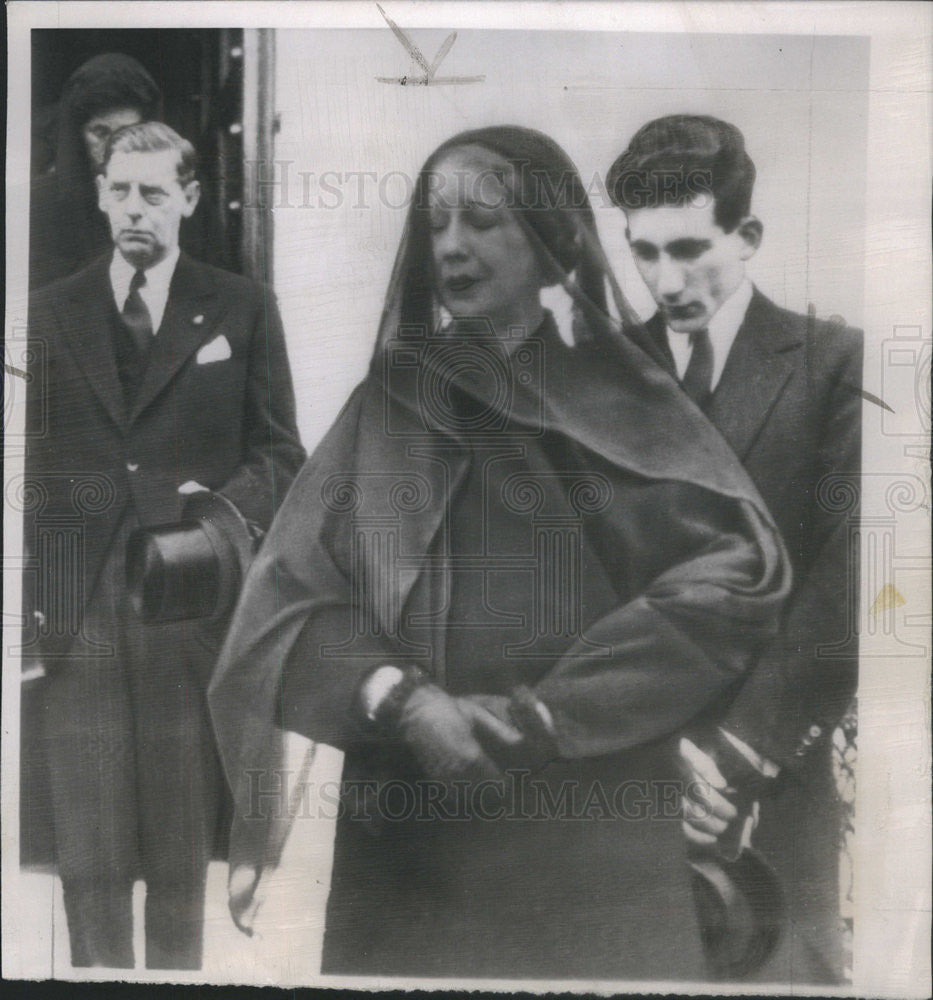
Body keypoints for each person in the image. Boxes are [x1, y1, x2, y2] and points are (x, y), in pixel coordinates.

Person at [209, 125, 790, 981]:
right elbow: (290, 600)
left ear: (550, 236)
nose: (451, 246)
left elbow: (730, 583)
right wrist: (402, 699)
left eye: (483, 221)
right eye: (436, 223)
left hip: (589, 826)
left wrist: (537, 719)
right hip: (409, 833)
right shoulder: (391, 405)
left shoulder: (629, 396)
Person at [23, 121, 305, 968]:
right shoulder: (48, 311)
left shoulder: (242, 306)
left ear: (188, 197)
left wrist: (216, 510)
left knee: (180, 852)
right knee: (91, 854)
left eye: (153, 192)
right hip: (80, 611)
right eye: (119, 190)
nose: (134, 209)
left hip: (185, 605)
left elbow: (281, 454)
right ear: (100, 194)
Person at [606, 114, 862, 983]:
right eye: (643, 253)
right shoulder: (596, 377)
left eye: (688, 248)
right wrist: (651, 752)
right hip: (624, 783)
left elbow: (847, 578)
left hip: (774, 777)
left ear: (746, 236)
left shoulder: (833, 365)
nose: (664, 279)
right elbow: (572, 580)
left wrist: (736, 753)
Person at [29, 52, 224, 289]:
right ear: (78, 136)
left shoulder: (181, 196)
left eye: (130, 130)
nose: (113, 146)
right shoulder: (38, 207)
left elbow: (215, 291)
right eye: (100, 132)